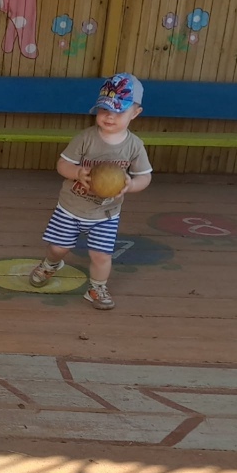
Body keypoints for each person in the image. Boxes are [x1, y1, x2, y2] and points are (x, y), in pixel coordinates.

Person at [27, 73, 153, 310]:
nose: (109, 116)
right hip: (71, 208)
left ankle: (96, 287)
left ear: (135, 113)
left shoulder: (134, 146)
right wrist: (77, 172)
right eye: (104, 109)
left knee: (101, 255)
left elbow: (145, 176)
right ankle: (51, 264)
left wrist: (131, 185)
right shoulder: (86, 138)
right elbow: (62, 165)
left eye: (119, 111)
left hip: (106, 214)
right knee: (58, 248)